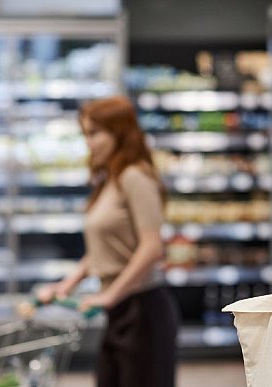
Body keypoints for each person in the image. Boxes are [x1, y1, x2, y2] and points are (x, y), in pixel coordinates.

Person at [36, 96, 178, 387]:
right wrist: (67, 284)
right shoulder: (109, 180)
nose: (88, 142)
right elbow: (103, 247)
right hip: (120, 311)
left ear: (120, 132)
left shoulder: (135, 176)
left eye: (94, 133)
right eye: (85, 134)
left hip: (143, 310)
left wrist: (109, 295)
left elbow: (152, 247)